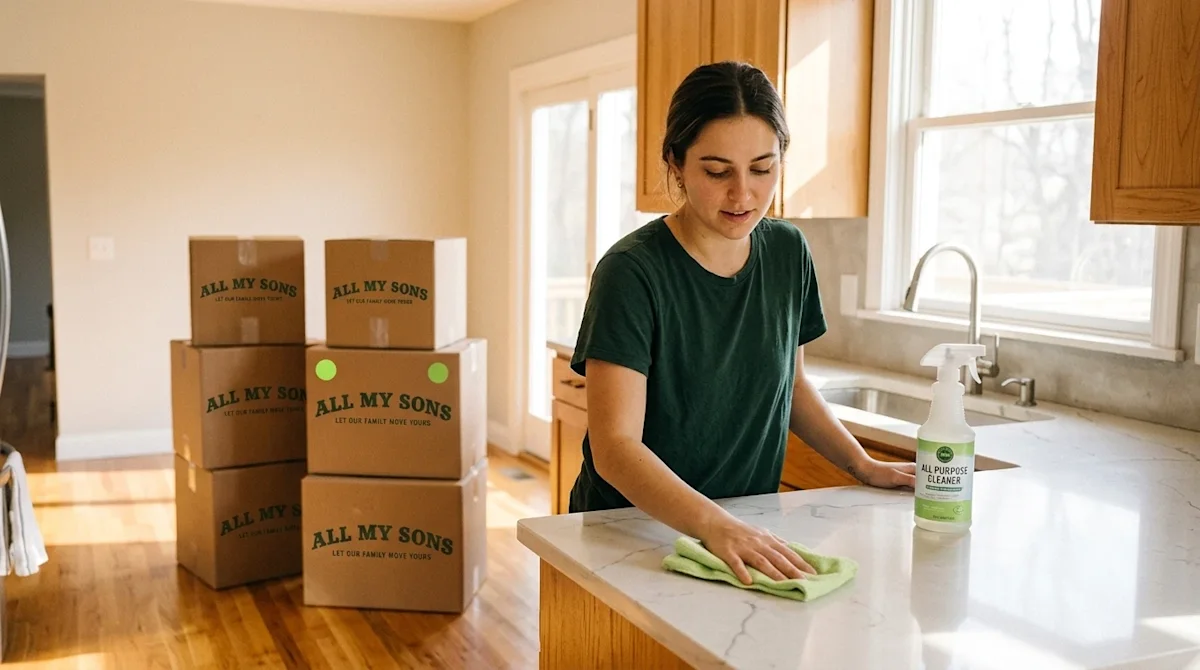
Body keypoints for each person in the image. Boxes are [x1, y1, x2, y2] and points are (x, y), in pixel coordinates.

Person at [565, 60, 916, 586]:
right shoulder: (632, 272)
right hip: (634, 533)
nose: (744, 194)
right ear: (676, 164)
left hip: (744, 529)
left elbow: (791, 387)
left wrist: (861, 464)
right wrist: (716, 525)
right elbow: (616, 450)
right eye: (716, 170)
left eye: (761, 168)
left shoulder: (787, 251)